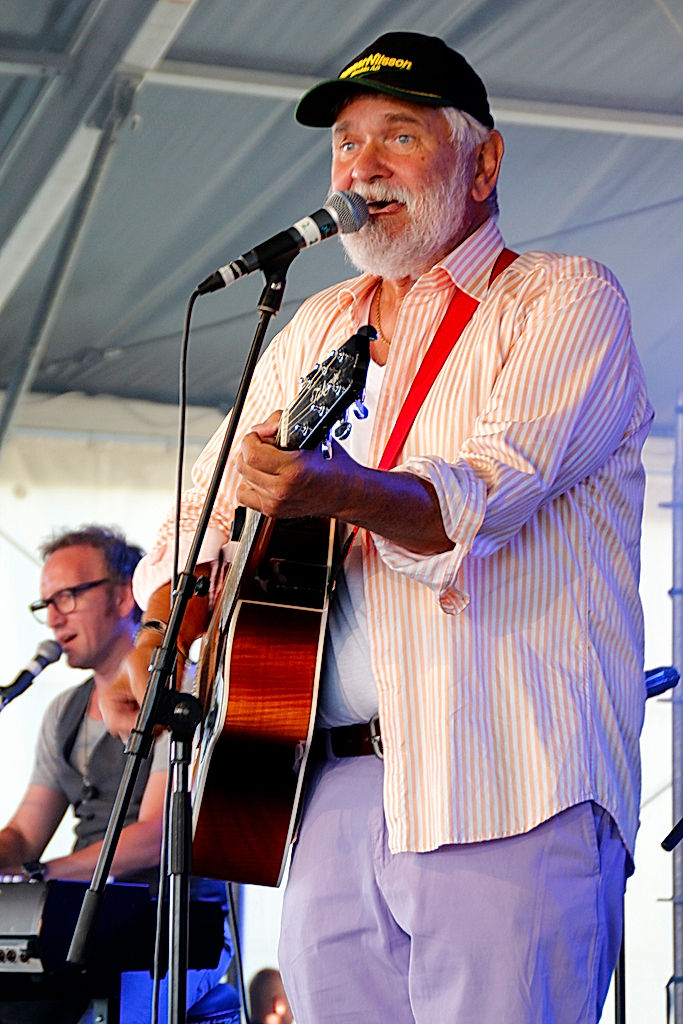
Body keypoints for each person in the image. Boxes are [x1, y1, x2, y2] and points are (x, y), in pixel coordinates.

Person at [106, 31, 653, 1023]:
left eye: (399, 135)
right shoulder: (316, 323)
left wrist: (338, 489)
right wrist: (160, 625)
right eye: (346, 143)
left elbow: (488, 492)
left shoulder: (561, 297)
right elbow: (204, 508)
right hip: (322, 779)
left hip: (506, 775)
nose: (362, 166)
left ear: (482, 164)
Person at [0, 525, 231, 1024]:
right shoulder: (64, 712)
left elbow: (157, 837)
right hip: (78, 917)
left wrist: (38, 877)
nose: (54, 617)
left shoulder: (181, 694)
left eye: (67, 596)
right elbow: (23, 833)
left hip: (171, 927)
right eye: (45, 604)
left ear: (125, 596)